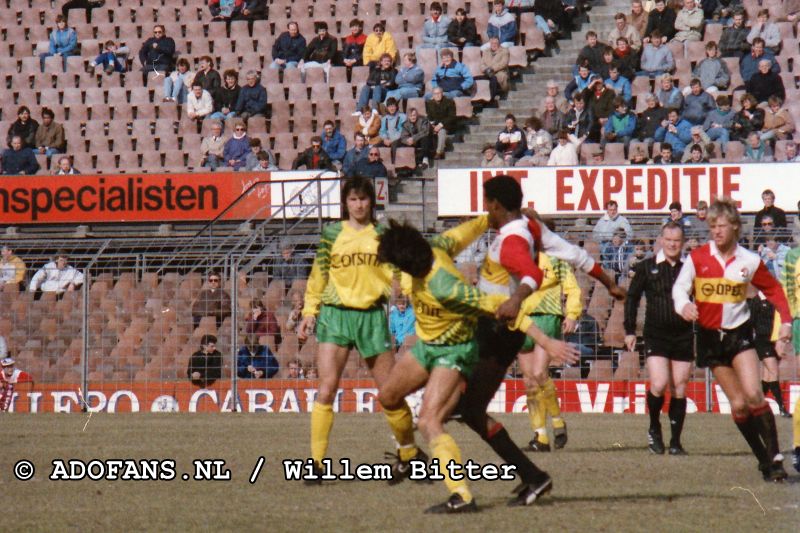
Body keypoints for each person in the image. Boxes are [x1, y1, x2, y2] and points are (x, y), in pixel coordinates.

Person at [375, 216, 580, 512]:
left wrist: (546, 342)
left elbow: (503, 308)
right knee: (389, 397)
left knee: (429, 421)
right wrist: (494, 215)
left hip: (454, 350)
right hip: (428, 345)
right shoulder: (437, 246)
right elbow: (468, 230)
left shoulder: (447, 287)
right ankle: (410, 456)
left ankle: (462, 496)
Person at [442, 176, 625, 507]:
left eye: (487, 204)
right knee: (466, 409)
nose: (485, 210)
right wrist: (608, 282)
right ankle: (531, 475)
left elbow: (531, 274)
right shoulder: (530, 226)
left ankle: (516, 479)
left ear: (495, 205)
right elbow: (576, 255)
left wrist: (517, 298)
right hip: (490, 327)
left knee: (463, 409)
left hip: (497, 330)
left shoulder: (513, 239)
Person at [297, 177, 422, 484]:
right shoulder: (331, 234)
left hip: (371, 316)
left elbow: (399, 272)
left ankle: (410, 456)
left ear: (371, 201)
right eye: (353, 199)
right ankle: (315, 465)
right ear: (346, 203)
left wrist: (409, 292)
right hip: (335, 316)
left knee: (390, 393)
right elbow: (318, 274)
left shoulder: (382, 235)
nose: (359, 204)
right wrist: (309, 311)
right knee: (326, 388)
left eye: (364, 199)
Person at [672, 197, 792, 481]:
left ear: (735, 227)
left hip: (739, 336)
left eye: (722, 225)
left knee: (754, 394)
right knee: (738, 405)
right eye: (713, 225)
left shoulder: (749, 261)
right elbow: (679, 288)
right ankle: (763, 459)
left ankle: (775, 456)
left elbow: (774, 291)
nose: (717, 231)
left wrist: (785, 323)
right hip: (711, 339)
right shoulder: (698, 257)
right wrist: (683, 305)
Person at [625, 222, 694, 455]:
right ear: (661, 240)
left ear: (682, 242)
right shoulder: (647, 267)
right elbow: (632, 298)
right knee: (658, 383)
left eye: (677, 240)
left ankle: (676, 442)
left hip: (683, 334)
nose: (673, 244)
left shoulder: (689, 269)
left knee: (680, 387)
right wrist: (629, 330)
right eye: (669, 239)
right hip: (656, 334)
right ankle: (654, 427)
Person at [519, 246, 582, 452]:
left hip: (547, 317)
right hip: (521, 321)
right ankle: (540, 437)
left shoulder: (556, 259)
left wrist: (572, 314)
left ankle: (557, 421)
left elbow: (572, 288)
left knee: (539, 373)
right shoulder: (516, 258)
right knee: (529, 382)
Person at [425, 87, 456, 160]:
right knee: (426, 130)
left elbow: (452, 117)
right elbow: (429, 116)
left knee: (442, 132)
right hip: (434, 125)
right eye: (435, 94)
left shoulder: (449, 102)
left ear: (442, 93)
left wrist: (440, 125)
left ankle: (439, 152)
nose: (437, 95)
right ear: (433, 95)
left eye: (439, 93)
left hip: (446, 125)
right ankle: (427, 154)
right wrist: (432, 125)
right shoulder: (429, 103)